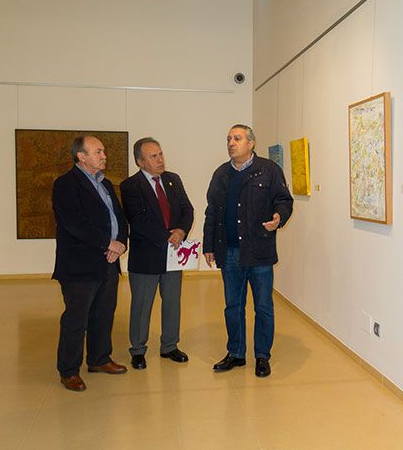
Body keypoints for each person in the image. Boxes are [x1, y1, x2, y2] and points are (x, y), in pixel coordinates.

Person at [203, 124, 293, 377]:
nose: (231, 143)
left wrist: (279, 218)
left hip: (259, 251)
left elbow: (284, 200)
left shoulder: (269, 170)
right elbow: (212, 212)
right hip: (230, 252)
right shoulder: (221, 174)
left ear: (251, 143)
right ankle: (236, 353)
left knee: (263, 306)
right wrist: (208, 246)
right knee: (233, 306)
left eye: (237, 138)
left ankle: (262, 355)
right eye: (228, 139)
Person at [52, 135, 129, 392]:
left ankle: (99, 359)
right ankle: (69, 371)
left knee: (104, 314)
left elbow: (119, 218)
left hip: (109, 261)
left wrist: (120, 244)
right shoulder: (65, 184)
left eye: (103, 151)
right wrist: (108, 243)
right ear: (81, 156)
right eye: (98, 152)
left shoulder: (105, 183)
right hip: (80, 265)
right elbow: (75, 223)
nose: (104, 155)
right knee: (76, 319)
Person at [120, 138, 194, 370]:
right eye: (153, 156)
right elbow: (137, 220)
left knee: (172, 302)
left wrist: (181, 231)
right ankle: (138, 350)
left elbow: (187, 209)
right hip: (146, 256)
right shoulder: (130, 186)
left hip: (173, 254)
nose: (160, 159)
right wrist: (167, 237)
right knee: (142, 305)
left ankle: (169, 346)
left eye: (160, 154)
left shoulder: (173, 180)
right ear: (140, 161)